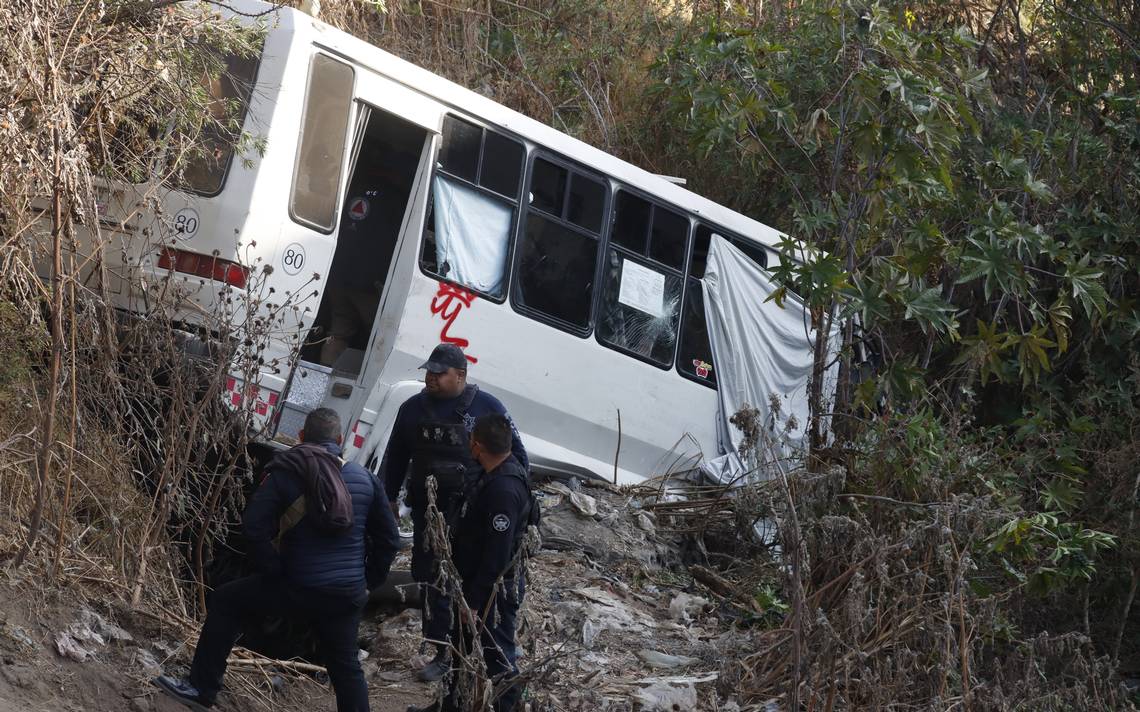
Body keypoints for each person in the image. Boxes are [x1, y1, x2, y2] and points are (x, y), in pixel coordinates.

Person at [154, 408, 402, 712]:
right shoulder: (366, 479)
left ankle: (201, 689)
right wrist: (366, 583)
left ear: (300, 437)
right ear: (341, 440)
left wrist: (274, 570)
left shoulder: (285, 471)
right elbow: (389, 540)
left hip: (296, 585)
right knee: (346, 665)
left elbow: (253, 528)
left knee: (227, 601)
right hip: (346, 593)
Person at [380, 343, 527, 683]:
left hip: (474, 518)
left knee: (472, 580)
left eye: (439, 372)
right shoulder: (412, 409)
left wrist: (511, 501)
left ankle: (485, 653)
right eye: (428, 371)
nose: (430, 378)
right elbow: (396, 454)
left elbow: (515, 456)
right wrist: (388, 496)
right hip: (429, 514)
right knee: (431, 579)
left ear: (460, 376)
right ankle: (442, 650)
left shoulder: (487, 407)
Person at [408, 413, 533, 712]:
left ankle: (506, 705)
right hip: (472, 581)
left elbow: (497, 554)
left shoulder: (505, 489)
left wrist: (476, 601)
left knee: (495, 655)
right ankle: (449, 705)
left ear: (477, 445)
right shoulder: (488, 474)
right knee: (462, 648)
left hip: (493, 591)